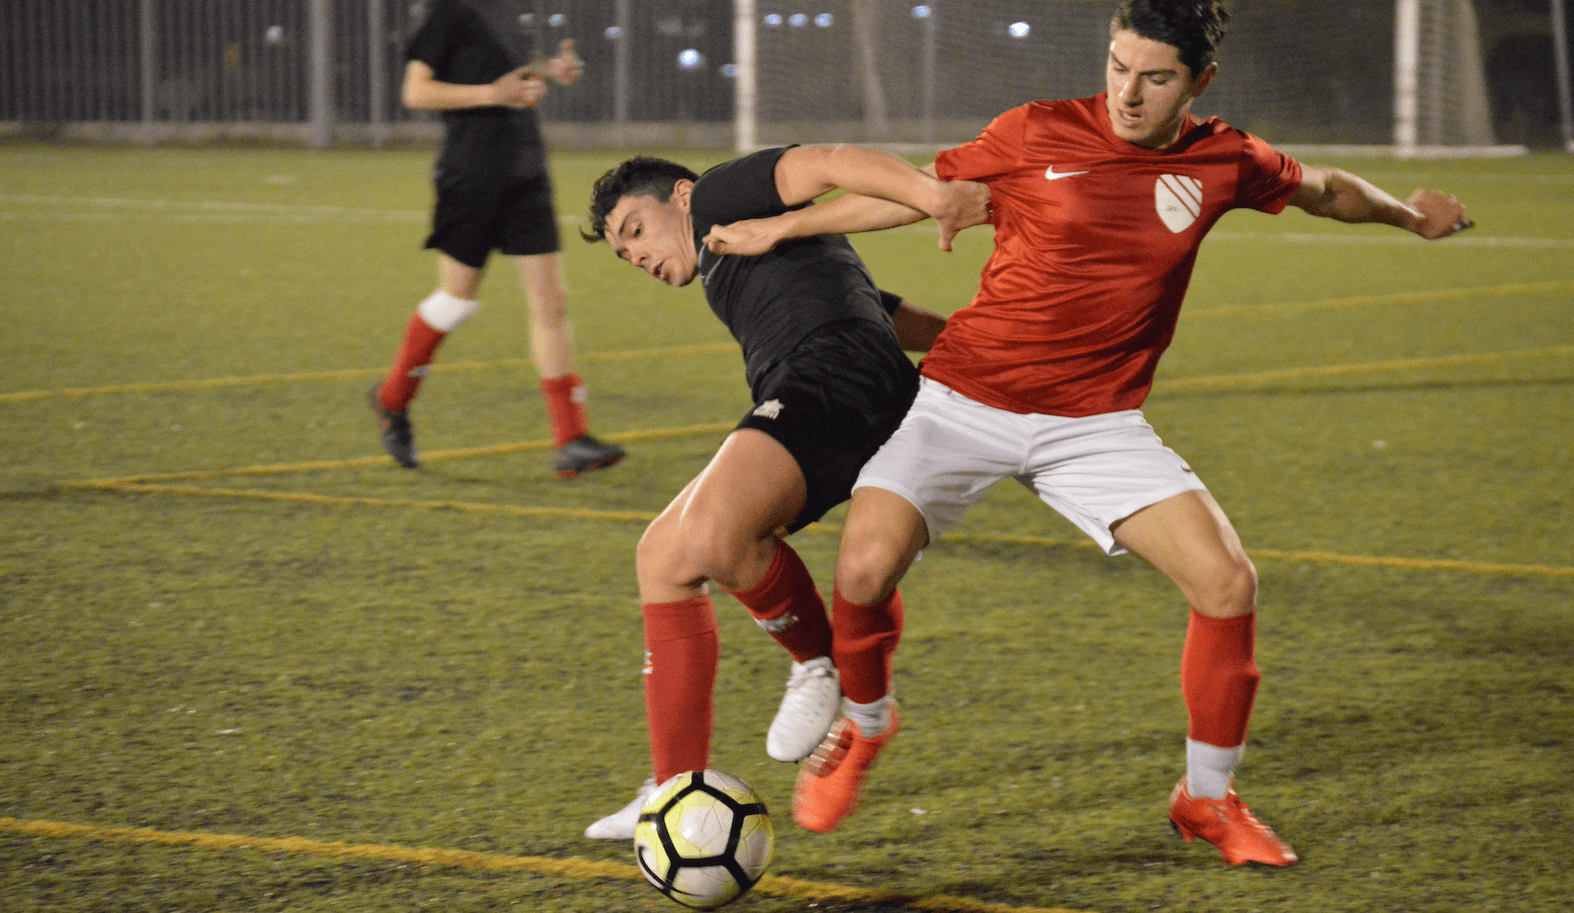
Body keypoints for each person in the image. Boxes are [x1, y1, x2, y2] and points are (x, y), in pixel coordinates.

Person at [703, 0, 1473, 867]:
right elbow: (921, 195)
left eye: (1156, 78)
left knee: (1226, 582)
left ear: (1200, 83)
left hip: (1095, 423)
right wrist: (780, 226)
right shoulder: (1035, 132)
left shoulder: (1225, 158)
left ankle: (1207, 799)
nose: (1128, 94)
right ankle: (868, 724)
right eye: (1117, 66)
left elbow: (1326, 189)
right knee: (863, 567)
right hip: (966, 399)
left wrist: (1410, 216)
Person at [575, 147, 988, 840]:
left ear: (677, 197)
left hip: (834, 377)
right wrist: (956, 341)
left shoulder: (712, 197)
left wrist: (929, 193)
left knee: (713, 531)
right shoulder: (734, 257)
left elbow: (823, 160)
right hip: (843, 379)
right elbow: (870, 304)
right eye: (622, 253)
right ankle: (672, 789)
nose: (635, 256)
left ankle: (820, 666)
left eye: (635, 230)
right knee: (663, 559)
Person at [368, 0, 624, 478]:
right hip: (471, 174)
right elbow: (416, 92)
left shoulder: (510, 13)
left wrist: (547, 72)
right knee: (455, 300)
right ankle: (391, 400)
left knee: (551, 300)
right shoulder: (450, 13)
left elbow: (510, 79)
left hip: (525, 169)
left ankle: (570, 439)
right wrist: (493, 92)